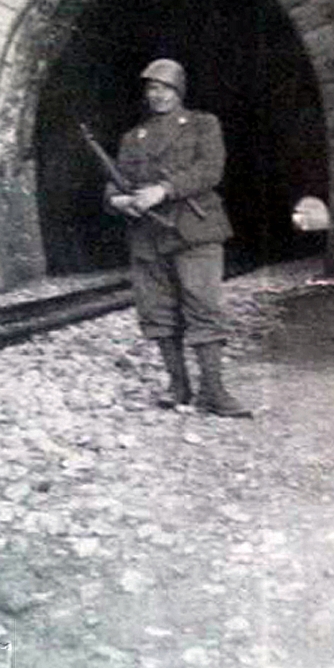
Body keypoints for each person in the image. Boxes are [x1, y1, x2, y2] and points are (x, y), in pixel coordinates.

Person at [106, 58, 252, 417]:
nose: (158, 95)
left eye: (165, 88)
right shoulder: (132, 138)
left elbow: (209, 170)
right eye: (152, 88)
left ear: (179, 91)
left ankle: (214, 392)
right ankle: (179, 387)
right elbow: (115, 180)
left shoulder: (203, 124)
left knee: (203, 307)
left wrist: (163, 190)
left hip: (194, 231)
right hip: (148, 235)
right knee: (157, 311)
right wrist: (117, 200)